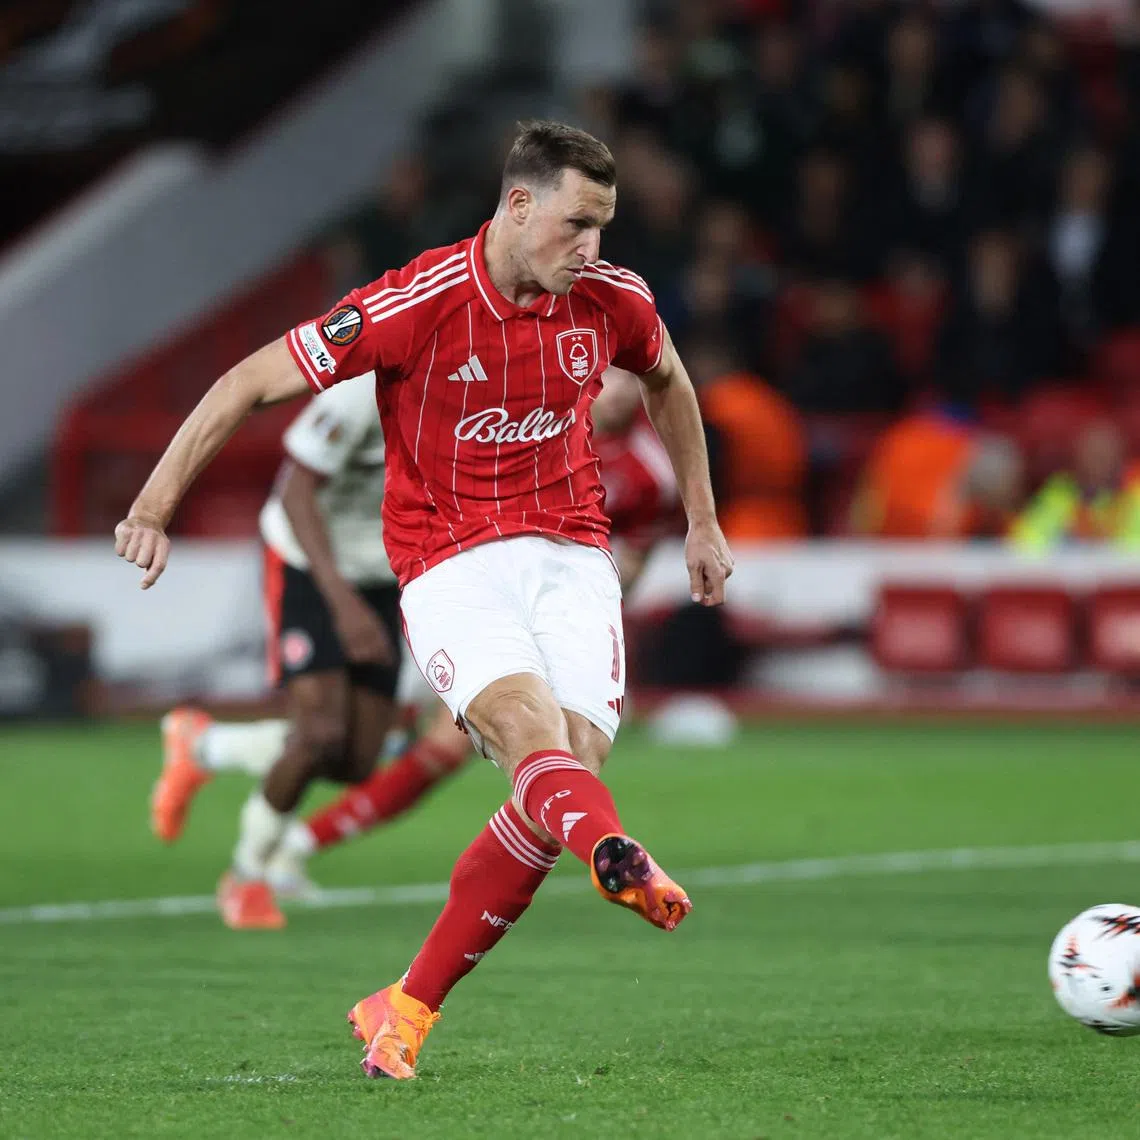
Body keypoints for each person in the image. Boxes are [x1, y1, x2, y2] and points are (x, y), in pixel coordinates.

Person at [114, 120, 733, 1081]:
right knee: (536, 744)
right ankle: (613, 851)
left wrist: (701, 519)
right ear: (518, 204)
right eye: (577, 224)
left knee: (566, 772)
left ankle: (403, 1007)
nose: (592, 249)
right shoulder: (419, 300)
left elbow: (670, 383)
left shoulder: (612, 299)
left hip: (572, 553)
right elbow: (247, 382)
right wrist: (154, 505)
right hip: (450, 560)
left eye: (603, 227)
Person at [150, 372, 412, 929]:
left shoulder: (473, 390)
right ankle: (246, 878)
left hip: (384, 573)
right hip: (306, 564)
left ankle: (206, 746)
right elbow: (295, 492)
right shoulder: (359, 394)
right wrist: (343, 605)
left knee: (356, 759)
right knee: (319, 732)